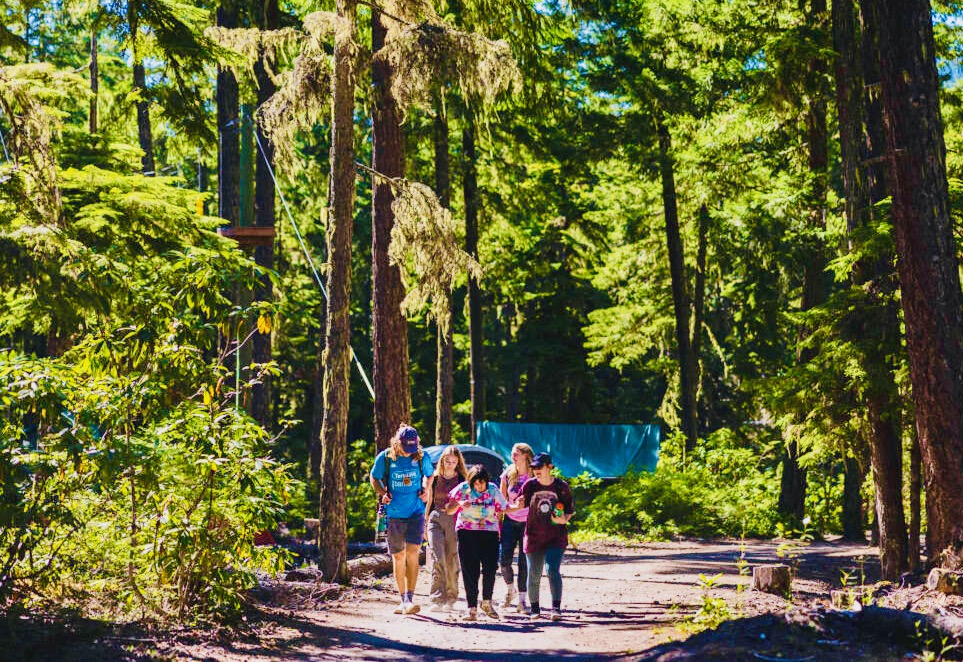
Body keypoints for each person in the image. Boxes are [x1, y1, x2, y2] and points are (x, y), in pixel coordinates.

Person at [370, 424, 434, 615]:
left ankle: (409, 599)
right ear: (398, 443)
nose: (409, 453)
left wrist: (426, 489)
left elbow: (430, 475)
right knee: (399, 556)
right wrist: (383, 492)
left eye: (412, 449)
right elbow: (374, 478)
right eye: (406, 449)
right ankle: (402, 598)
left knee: (413, 553)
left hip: (416, 511)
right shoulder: (386, 457)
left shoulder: (422, 457)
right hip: (394, 513)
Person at [514, 452, 574, 622]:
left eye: (539, 467)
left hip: (556, 536)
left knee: (552, 570)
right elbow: (520, 503)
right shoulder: (530, 485)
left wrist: (562, 519)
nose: (536, 471)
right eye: (533, 468)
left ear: (549, 467)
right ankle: (535, 610)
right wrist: (515, 504)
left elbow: (569, 512)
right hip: (533, 535)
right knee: (534, 573)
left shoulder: (561, 487)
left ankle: (556, 609)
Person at [446, 464, 508, 622]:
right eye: (477, 483)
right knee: (470, 570)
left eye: (483, 482)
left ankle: (486, 602)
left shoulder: (493, 489)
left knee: (490, 569)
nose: (480, 486)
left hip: (490, 532)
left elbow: (505, 507)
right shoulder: (463, 488)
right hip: (466, 532)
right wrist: (460, 504)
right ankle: (471, 608)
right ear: (471, 482)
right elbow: (449, 510)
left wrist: (521, 507)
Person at [424, 445, 468, 612]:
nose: (450, 464)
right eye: (447, 461)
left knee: (452, 560)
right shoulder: (434, 478)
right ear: (442, 461)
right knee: (437, 558)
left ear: (458, 463)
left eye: (453, 462)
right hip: (435, 518)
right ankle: (436, 598)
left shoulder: (463, 480)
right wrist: (425, 523)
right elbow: (429, 502)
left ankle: (451, 597)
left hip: (455, 521)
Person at [499, 442, 534, 613]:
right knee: (504, 560)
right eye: (512, 453)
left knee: (523, 562)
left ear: (526, 455)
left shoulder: (534, 475)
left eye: (517, 453)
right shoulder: (507, 474)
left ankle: (522, 600)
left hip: (529, 523)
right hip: (510, 522)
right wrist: (497, 523)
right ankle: (509, 590)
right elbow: (500, 501)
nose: (513, 456)